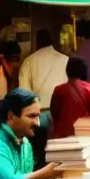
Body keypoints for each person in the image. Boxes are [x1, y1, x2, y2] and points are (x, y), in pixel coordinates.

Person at [18, 29, 68, 167]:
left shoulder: (29, 61)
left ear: (37, 42)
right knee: (59, 153)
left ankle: (39, 177)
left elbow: (23, 92)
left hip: (38, 115)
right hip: (60, 114)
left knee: (38, 153)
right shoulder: (65, 60)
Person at [50, 57, 90, 139]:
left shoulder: (58, 90)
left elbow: (54, 113)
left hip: (61, 136)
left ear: (67, 72)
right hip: (86, 137)